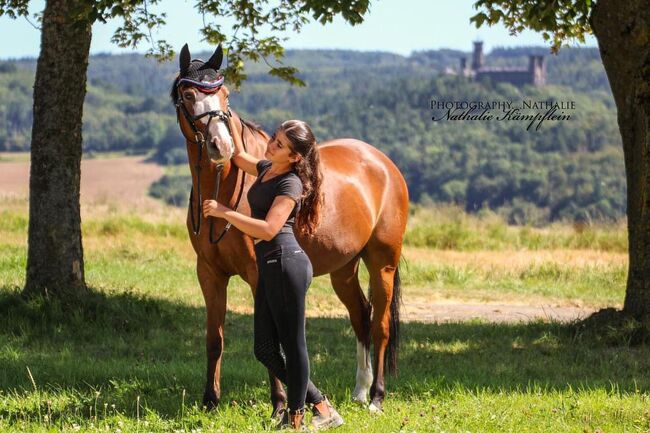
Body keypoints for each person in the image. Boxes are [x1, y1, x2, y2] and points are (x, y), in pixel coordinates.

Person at [202, 118, 344, 431]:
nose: (271, 144)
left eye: (279, 144)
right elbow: (237, 157)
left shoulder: (290, 183)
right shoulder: (268, 168)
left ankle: (296, 420)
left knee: (294, 347)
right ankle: (322, 405)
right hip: (269, 267)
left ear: (295, 157)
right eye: (274, 138)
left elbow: (268, 229)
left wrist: (224, 212)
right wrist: (226, 117)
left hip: (286, 265)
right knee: (264, 349)